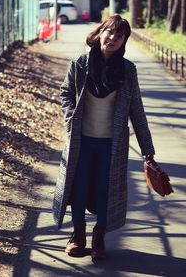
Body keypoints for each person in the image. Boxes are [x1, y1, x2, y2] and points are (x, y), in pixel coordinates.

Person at [52, 14, 155, 260]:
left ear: (124, 41)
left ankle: (99, 235)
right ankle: (78, 234)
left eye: (120, 36)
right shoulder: (80, 63)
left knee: (105, 190)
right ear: (100, 32)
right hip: (81, 140)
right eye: (110, 32)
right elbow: (66, 92)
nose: (113, 39)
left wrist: (147, 148)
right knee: (78, 187)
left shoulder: (127, 71)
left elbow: (136, 110)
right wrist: (69, 119)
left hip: (112, 144)